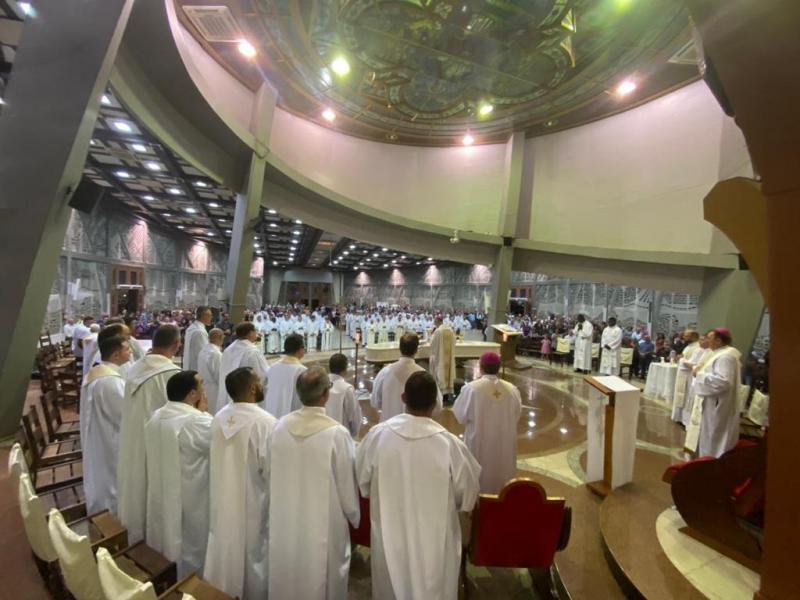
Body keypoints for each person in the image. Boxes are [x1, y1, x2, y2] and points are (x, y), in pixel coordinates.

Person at [356, 371, 481, 600]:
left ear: (403, 398)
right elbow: (467, 497)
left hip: (390, 532)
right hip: (434, 539)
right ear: (434, 404)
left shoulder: (377, 436)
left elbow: (362, 482)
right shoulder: (450, 445)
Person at [267, 367, 360, 599]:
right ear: (326, 394)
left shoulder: (279, 426)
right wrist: (353, 515)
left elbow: (269, 471)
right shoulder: (337, 434)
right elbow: (347, 485)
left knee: (287, 568)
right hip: (325, 521)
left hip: (285, 516)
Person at [204, 367, 276, 600]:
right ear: (253, 388)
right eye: (259, 381)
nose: (262, 384)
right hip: (253, 500)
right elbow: (272, 470)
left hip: (221, 496)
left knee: (224, 546)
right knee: (253, 551)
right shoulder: (265, 423)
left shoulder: (219, 417)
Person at [117, 324, 182, 542]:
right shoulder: (172, 375)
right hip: (158, 443)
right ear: (177, 344)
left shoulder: (136, 367)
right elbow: (180, 416)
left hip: (132, 437)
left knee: (137, 480)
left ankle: (136, 531)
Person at [144, 370, 212, 576]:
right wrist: (204, 413)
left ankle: (166, 573)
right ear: (192, 394)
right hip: (191, 491)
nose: (205, 388)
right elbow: (217, 442)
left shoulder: (157, 415)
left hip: (162, 487)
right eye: (202, 384)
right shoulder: (196, 421)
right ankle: (190, 579)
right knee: (191, 538)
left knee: (167, 528)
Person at [453, 352, 522, 493]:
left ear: (481, 367)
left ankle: (477, 501)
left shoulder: (471, 389)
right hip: (504, 444)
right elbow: (516, 415)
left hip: (479, 443)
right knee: (502, 474)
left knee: (478, 477)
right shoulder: (512, 390)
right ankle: (501, 500)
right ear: (498, 367)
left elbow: (460, 416)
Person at [81, 335, 130, 514]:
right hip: (110, 436)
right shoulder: (110, 381)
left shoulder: (98, 374)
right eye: (127, 349)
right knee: (111, 477)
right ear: (116, 355)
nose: (130, 351)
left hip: (100, 433)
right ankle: (111, 516)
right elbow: (125, 415)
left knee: (101, 474)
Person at [685, 328, 742, 457]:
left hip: (716, 404)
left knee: (713, 433)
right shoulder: (718, 353)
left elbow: (724, 382)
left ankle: (711, 458)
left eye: (709, 338)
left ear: (718, 341)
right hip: (712, 401)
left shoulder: (725, 357)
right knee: (707, 432)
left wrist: (699, 374)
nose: (706, 341)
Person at [371, 333, 442, 422]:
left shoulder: (385, 373)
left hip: (389, 425)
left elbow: (375, 401)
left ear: (400, 348)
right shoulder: (424, 376)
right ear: (416, 350)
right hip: (416, 427)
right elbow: (437, 407)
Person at [215, 322, 270, 413]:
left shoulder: (228, 350)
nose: (256, 333)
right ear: (250, 333)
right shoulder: (252, 352)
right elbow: (262, 375)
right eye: (255, 331)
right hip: (247, 395)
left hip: (230, 392)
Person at [263, 333, 307, 418]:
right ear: (300, 349)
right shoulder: (301, 371)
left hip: (270, 414)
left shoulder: (272, 367)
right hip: (290, 418)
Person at [326, 353, 362, 437]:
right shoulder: (347, 389)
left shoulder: (321, 383)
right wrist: (353, 434)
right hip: (341, 435)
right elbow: (354, 416)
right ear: (345, 369)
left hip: (322, 432)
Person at [671, 329, 702, 423]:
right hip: (683, 374)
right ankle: (679, 417)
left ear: (693, 337)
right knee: (680, 397)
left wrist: (681, 359)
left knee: (687, 398)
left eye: (686, 336)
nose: (684, 337)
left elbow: (693, 364)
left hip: (689, 377)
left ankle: (685, 420)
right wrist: (680, 358)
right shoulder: (688, 346)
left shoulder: (698, 347)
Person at [429, 316, 457, 399]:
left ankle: (439, 396)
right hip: (448, 357)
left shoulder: (438, 331)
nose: (434, 323)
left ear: (438, 321)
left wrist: (431, 336)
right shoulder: (450, 330)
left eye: (435, 321)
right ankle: (447, 395)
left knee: (440, 373)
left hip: (440, 358)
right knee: (448, 373)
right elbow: (454, 342)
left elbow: (432, 344)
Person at [197, 329, 224, 415]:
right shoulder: (216, 354)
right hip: (214, 390)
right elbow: (219, 376)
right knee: (213, 412)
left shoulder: (203, 350)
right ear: (221, 338)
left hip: (203, 386)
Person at [183, 306, 211, 370]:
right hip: (196, 368)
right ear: (204, 316)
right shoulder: (199, 332)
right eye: (210, 315)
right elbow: (203, 354)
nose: (211, 317)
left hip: (189, 365)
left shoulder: (191, 328)